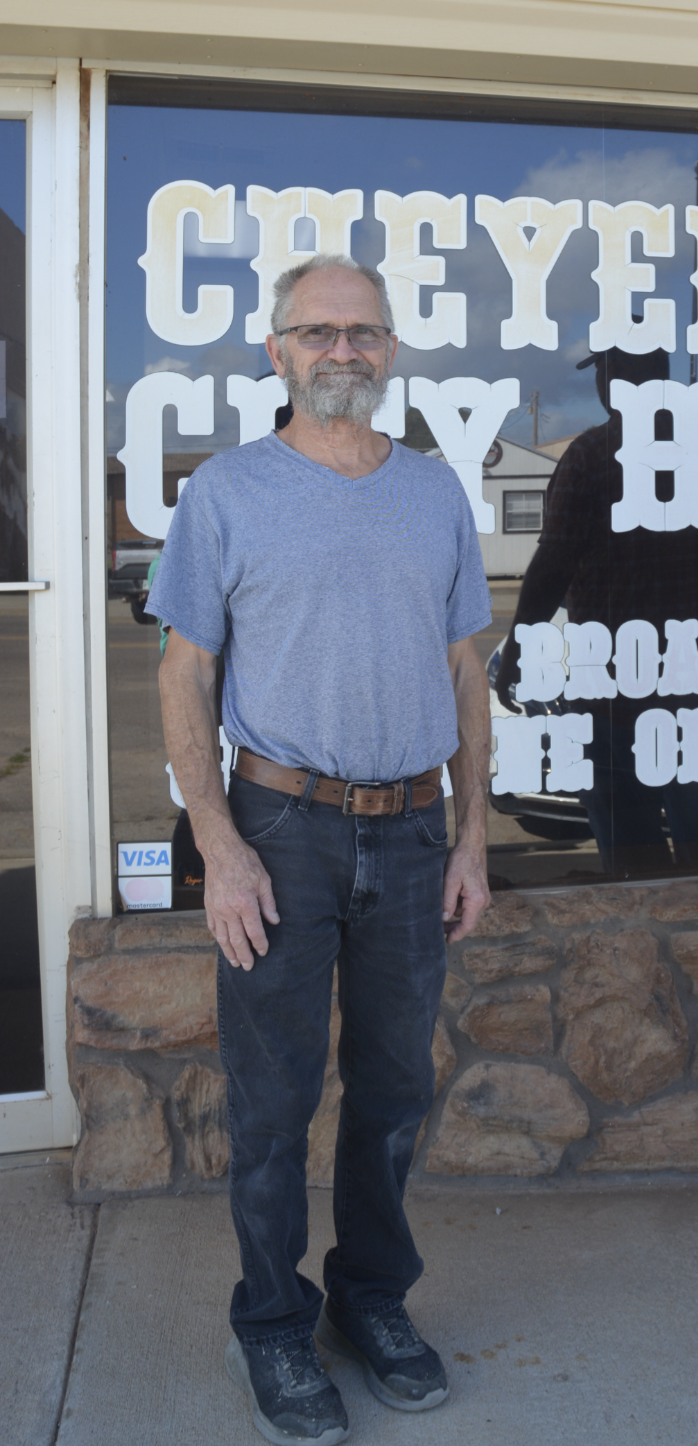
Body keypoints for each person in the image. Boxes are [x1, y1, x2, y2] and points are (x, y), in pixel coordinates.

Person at [147, 252, 492, 1446]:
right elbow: (183, 671)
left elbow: (464, 672)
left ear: (389, 349)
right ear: (276, 349)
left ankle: (369, 1303)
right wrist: (218, 845)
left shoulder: (437, 492)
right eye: (317, 331)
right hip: (278, 833)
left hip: (406, 835)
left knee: (394, 1094)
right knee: (272, 1103)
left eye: (362, 331)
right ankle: (274, 1327)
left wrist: (470, 840)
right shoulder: (227, 494)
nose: (341, 350)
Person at [495, 342, 698, 877]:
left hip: (614, 684)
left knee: (630, 844)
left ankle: (649, 928)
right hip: (689, 680)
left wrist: (520, 650)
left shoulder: (593, 455)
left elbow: (553, 563)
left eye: (603, 366)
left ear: (622, 371)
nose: (598, 380)